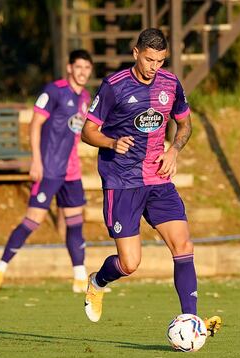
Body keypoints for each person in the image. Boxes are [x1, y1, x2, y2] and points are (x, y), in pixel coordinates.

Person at [81, 28, 221, 336]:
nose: (153, 66)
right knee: (130, 264)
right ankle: (97, 282)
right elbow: (87, 132)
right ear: (135, 53)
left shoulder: (170, 84)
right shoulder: (114, 87)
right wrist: (110, 143)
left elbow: (184, 124)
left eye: (160, 60)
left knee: (183, 244)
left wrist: (174, 150)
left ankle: (191, 323)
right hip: (122, 181)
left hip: (158, 178)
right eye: (148, 59)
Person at [0, 49, 93, 295]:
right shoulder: (54, 91)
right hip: (49, 168)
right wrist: (36, 160)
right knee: (33, 220)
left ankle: (80, 278)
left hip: (71, 172)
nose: (83, 72)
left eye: (87, 68)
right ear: (69, 68)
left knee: (75, 223)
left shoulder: (86, 97)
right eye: (78, 67)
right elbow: (35, 124)